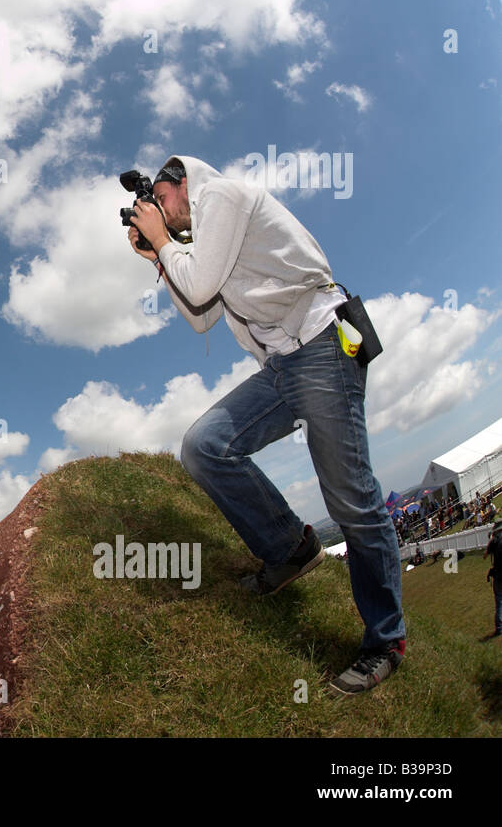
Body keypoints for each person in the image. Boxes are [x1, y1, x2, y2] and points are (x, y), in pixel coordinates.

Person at [128, 155, 405, 696]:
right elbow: (201, 311)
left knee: (351, 499)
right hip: (280, 367)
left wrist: (164, 241)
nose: (163, 213)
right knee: (204, 446)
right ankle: (290, 548)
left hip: (322, 348)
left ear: (182, 183)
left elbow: (201, 281)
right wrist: (159, 259)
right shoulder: (204, 233)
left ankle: (385, 640)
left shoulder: (223, 198)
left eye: (161, 201)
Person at [487, 524, 502, 639]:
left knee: (499, 601)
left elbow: (485, 555)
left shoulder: (494, 541)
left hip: (498, 574)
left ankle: (499, 628)